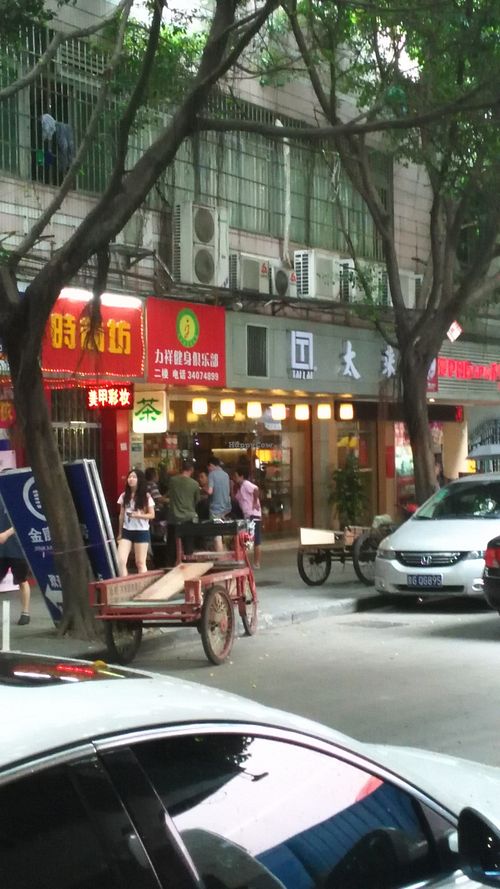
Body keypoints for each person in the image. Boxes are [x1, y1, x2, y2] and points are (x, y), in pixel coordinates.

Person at [116, 468, 155, 576]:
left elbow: (152, 515)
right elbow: (121, 515)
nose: (131, 479)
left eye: (134, 477)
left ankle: (142, 587)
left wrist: (139, 515)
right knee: (121, 560)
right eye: (129, 477)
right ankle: (123, 583)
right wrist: (119, 533)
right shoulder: (124, 496)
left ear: (139, 480)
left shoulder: (146, 497)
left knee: (140, 562)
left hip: (141, 531)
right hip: (126, 531)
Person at [0, 495, 30, 625]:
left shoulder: (14, 495)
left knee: (22, 580)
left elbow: (23, 519)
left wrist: (7, 534)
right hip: (1, 550)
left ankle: (25, 613)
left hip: (18, 548)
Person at [166, 459, 201, 563]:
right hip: (189, 517)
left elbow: (170, 495)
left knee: (171, 544)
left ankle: (170, 565)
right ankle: (188, 565)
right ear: (192, 470)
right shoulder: (195, 484)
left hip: (173, 517)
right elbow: (197, 500)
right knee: (188, 545)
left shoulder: (172, 481)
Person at [233, 467, 262, 569]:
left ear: (241, 476)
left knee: (255, 539)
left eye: (236, 476)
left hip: (253, 515)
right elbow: (236, 499)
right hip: (247, 515)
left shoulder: (246, 484)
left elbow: (256, 489)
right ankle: (248, 561)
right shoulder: (241, 488)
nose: (235, 478)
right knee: (248, 539)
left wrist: (254, 502)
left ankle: (256, 562)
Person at [207, 455, 231, 552]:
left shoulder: (212, 474)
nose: (208, 469)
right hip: (226, 508)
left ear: (211, 465)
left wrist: (203, 489)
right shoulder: (226, 475)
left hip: (215, 509)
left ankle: (220, 557)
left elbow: (210, 491)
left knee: (217, 535)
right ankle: (223, 553)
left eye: (208, 467)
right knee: (222, 533)